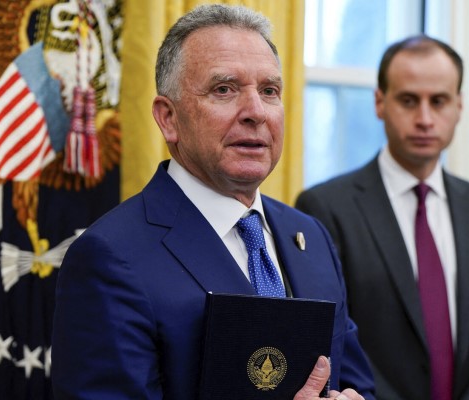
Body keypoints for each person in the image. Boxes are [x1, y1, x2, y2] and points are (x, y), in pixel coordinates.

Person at [51, 4, 375, 399]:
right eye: (224, 89)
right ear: (168, 118)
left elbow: (356, 383)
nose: (256, 112)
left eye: (269, 91)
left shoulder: (310, 236)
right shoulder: (110, 257)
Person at [295, 35, 469, 399]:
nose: (424, 119)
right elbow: (326, 341)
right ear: (380, 103)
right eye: (408, 100)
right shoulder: (324, 209)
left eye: (438, 101)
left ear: (459, 106)